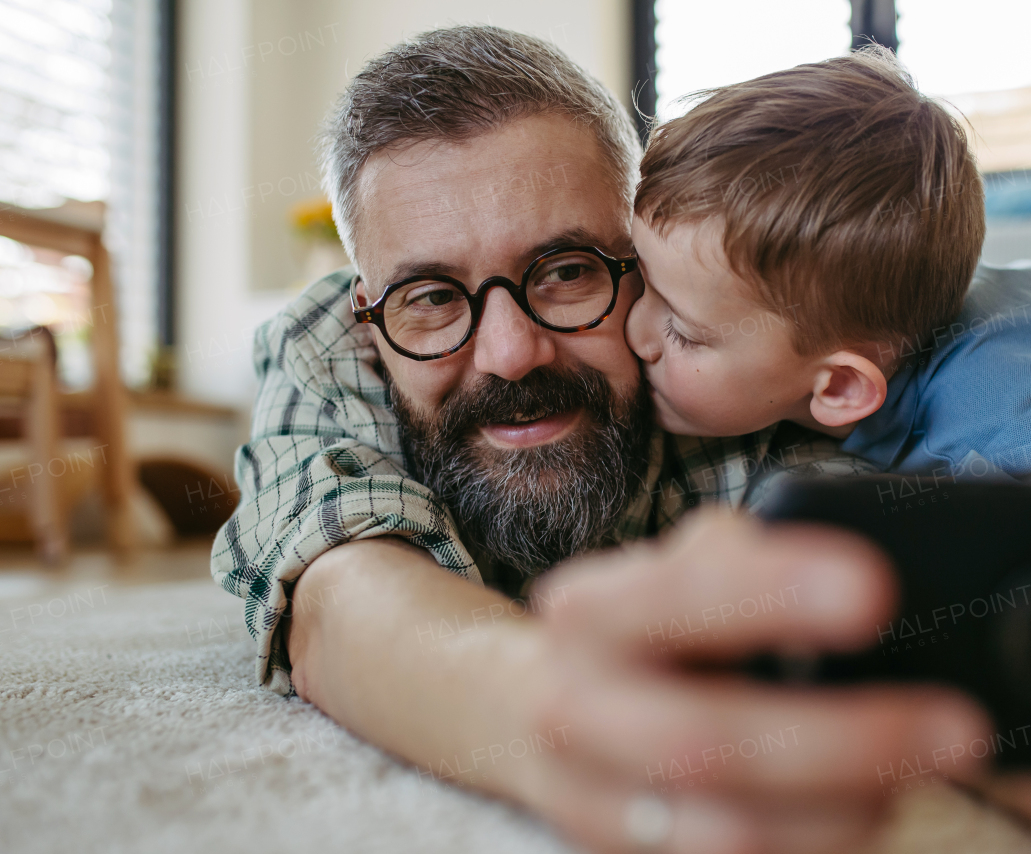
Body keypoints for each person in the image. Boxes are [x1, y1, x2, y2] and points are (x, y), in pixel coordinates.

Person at [212, 26, 985, 853]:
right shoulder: (329, 342)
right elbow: (338, 602)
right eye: (432, 295)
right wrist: (546, 717)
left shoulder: (739, 365)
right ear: (367, 308)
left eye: (567, 270)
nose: (511, 355)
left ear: (643, 256)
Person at [624, 47, 1031, 486]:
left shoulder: (999, 435)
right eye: (637, 279)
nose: (635, 332)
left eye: (683, 331)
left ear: (841, 389)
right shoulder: (895, 298)